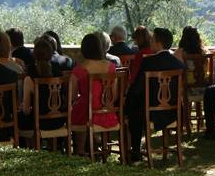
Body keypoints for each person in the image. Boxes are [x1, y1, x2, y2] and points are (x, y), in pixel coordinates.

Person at [125, 28, 186, 162]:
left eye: (152, 40)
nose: (150, 42)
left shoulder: (148, 62)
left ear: (158, 44)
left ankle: (135, 151)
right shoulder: (178, 64)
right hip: (174, 112)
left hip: (150, 112)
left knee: (133, 111)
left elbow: (137, 89)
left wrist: (127, 102)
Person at [70, 33, 119, 155]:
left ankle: (80, 150)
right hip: (107, 112)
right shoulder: (111, 67)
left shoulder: (79, 69)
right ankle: (97, 145)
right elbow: (115, 94)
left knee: (77, 109)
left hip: (87, 113)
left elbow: (72, 96)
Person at [19, 35, 66, 132]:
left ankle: (30, 146)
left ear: (34, 54)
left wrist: (22, 107)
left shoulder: (30, 76)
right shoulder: (59, 73)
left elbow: (27, 110)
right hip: (59, 120)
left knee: (20, 118)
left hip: (39, 122)